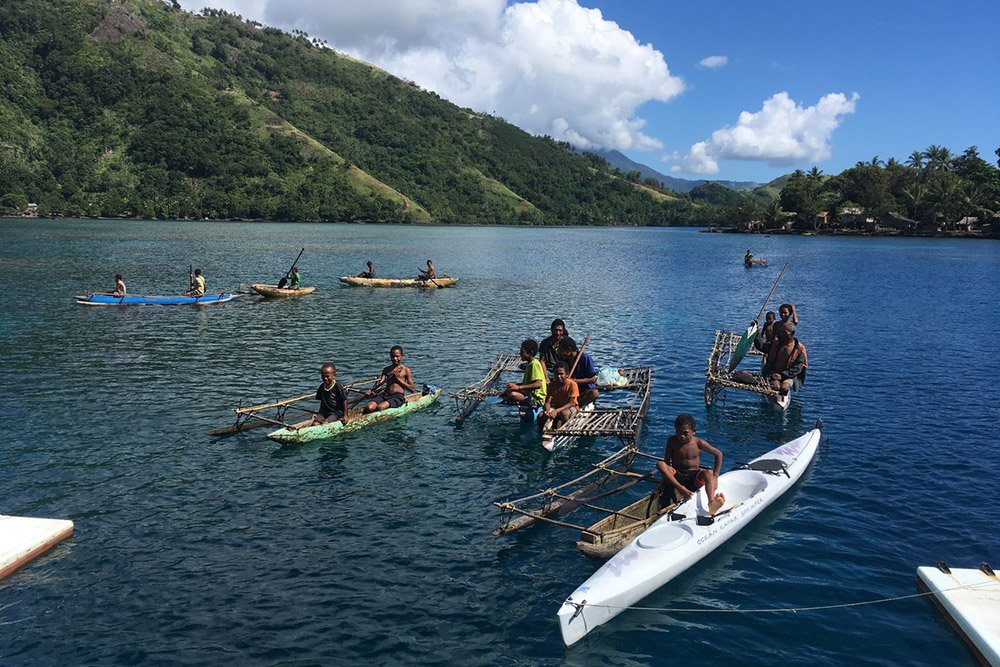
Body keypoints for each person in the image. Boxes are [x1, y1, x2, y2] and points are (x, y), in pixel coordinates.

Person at [657, 413, 725, 515]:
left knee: (708, 473)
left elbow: (718, 454)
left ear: (694, 431)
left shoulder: (699, 443)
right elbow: (666, 462)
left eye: (685, 433)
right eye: (678, 433)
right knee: (660, 464)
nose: (681, 436)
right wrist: (664, 481)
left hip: (694, 477)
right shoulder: (672, 441)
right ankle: (681, 489)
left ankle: (711, 502)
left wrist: (715, 477)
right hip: (677, 476)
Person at [754, 321, 807, 397]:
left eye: (784, 333)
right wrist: (757, 331)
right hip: (773, 374)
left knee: (784, 387)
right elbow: (761, 346)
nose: (781, 335)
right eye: (781, 332)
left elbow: (797, 368)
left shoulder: (799, 349)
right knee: (776, 387)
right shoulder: (775, 344)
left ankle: (782, 396)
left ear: (792, 333)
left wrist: (782, 376)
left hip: (788, 376)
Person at [363, 345, 415, 413]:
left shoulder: (406, 370)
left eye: (397, 356)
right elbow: (380, 386)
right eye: (392, 356)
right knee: (369, 407)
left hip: (397, 397)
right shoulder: (386, 370)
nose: (395, 359)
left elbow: (412, 389)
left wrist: (398, 379)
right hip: (385, 394)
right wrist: (371, 392)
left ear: (402, 356)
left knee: (380, 407)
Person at [500, 339, 546, 408]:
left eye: (522, 352)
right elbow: (528, 383)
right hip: (529, 393)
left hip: (536, 398)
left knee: (513, 394)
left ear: (530, 353)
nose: (520, 354)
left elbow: (538, 384)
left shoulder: (535, 364)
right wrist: (515, 385)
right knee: (508, 391)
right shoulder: (530, 364)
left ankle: (531, 402)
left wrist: (518, 387)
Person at [537, 361, 578, 433]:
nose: (559, 376)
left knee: (564, 414)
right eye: (556, 374)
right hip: (557, 407)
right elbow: (548, 401)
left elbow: (570, 403)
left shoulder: (572, 384)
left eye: (561, 374)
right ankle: (541, 432)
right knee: (540, 415)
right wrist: (547, 411)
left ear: (567, 375)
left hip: (570, 408)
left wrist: (556, 411)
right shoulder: (551, 385)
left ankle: (565, 431)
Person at [558, 336, 598, 409]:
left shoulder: (585, 358)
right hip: (570, 391)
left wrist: (574, 381)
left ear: (568, 350)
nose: (560, 353)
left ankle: (578, 404)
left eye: (561, 350)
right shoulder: (564, 360)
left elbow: (593, 379)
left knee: (594, 393)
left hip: (584, 391)